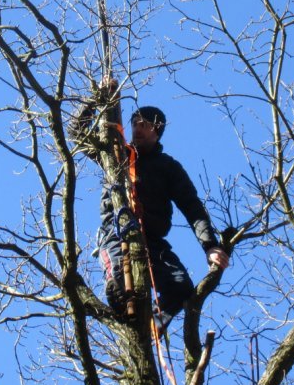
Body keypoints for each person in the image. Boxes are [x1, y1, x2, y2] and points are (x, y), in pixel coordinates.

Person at [83, 89, 229, 323]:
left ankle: (153, 322)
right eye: (135, 123)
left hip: (151, 238)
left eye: (146, 125)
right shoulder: (116, 154)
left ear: (157, 132)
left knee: (180, 287)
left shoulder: (168, 168)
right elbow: (78, 133)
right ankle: (122, 300)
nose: (138, 128)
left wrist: (210, 246)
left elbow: (192, 207)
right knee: (121, 285)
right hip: (117, 232)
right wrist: (96, 100)